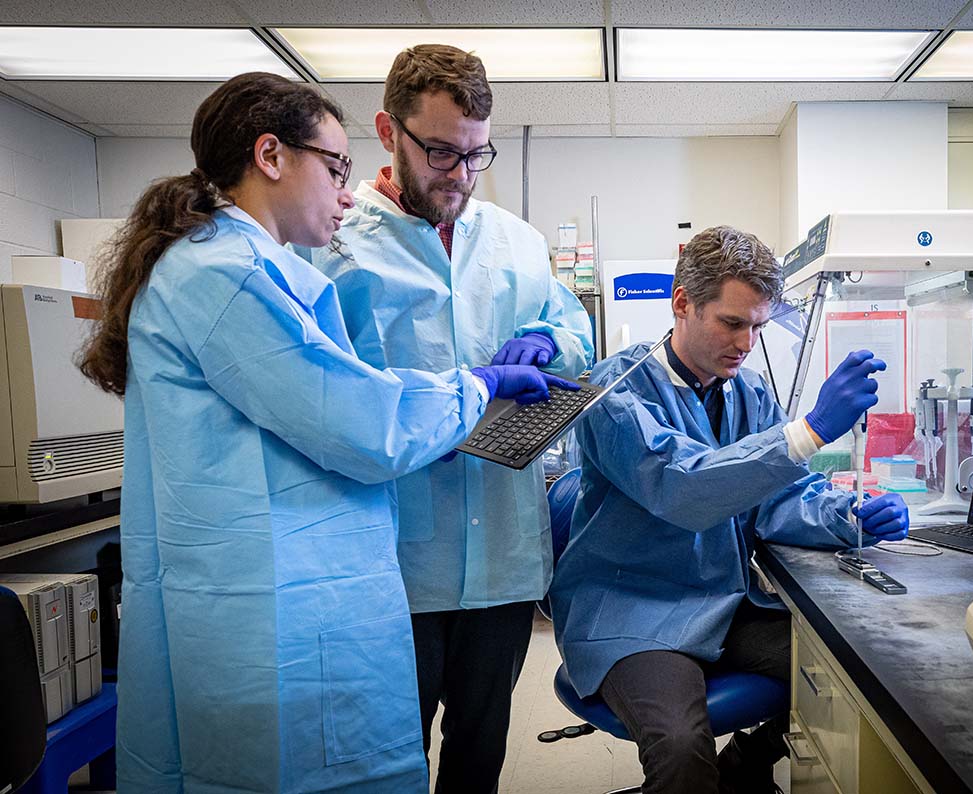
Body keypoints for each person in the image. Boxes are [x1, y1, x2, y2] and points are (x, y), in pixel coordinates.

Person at [77, 72, 573, 794]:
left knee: (454, 746)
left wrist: (540, 343)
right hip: (280, 585)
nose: (347, 193)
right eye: (335, 169)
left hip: (361, 567)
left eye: (475, 155)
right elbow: (362, 419)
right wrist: (478, 385)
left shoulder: (239, 263)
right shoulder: (229, 271)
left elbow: (339, 399)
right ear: (271, 156)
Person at [297, 44, 593, 793]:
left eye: (474, 154)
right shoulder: (334, 248)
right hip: (390, 562)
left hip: (501, 556)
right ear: (386, 131)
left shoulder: (516, 242)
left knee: (479, 755)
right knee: (388, 762)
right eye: (439, 152)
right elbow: (321, 403)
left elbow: (578, 335)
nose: (459, 174)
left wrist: (552, 338)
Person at [549, 226, 910, 794]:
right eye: (732, 323)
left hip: (719, 600)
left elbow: (776, 501)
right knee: (680, 748)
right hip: (632, 614)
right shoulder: (613, 392)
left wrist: (849, 516)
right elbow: (683, 489)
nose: (745, 344)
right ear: (683, 304)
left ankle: (744, 765)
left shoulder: (749, 392)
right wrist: (809, 431)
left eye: (758, 327)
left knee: (847, 671)